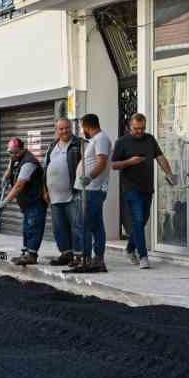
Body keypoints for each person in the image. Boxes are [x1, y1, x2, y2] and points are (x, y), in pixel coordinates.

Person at [109, 113, 176, 270]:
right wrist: (129, 162)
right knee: (138, 220)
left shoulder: (149, 139)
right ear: (129, 126)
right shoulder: (122, 142)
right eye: (136, 128)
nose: (139, 131)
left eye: (142, 128)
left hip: (147, 187)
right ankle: (143, 256)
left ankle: (130, 248)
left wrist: (169, 173)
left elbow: (160, 157)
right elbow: (113, 165)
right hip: (131, 188)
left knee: (143, 221)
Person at [68, 113, 112, 274]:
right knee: (96, 225)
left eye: (82, 127)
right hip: (90, 188)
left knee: (84, 224)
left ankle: (87, 259)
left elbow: (102, 162)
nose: (81, 130)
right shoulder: (94, 140)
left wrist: (89, 177)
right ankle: (97, 260)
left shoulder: (100, 139)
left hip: (93, 189)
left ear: (87, 126)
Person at [44, 118, 83, 266]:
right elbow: (45, 168)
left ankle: (79, 256)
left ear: (71, 127)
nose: (64, 131)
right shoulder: (52, 146)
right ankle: (66, 254)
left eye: (67, 128)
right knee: (59, 228)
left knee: (77, 226)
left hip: (73, 194)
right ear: (57, 130)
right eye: (61, 129)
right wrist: (45, 190)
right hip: (54, 196)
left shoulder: (79, 144)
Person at [3, 138, 48, 266]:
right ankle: (25, 253)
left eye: (15, 153)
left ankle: (31, 255)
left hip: (35, 200)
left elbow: (19, 186)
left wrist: (5, 202)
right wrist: (5, 177)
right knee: (27, 228)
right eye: (10, 153)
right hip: (26, 202)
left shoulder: (29, 163)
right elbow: (10, 169)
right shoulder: (15, 158)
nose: (13, 155)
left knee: (33, 226)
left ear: (22, 150)